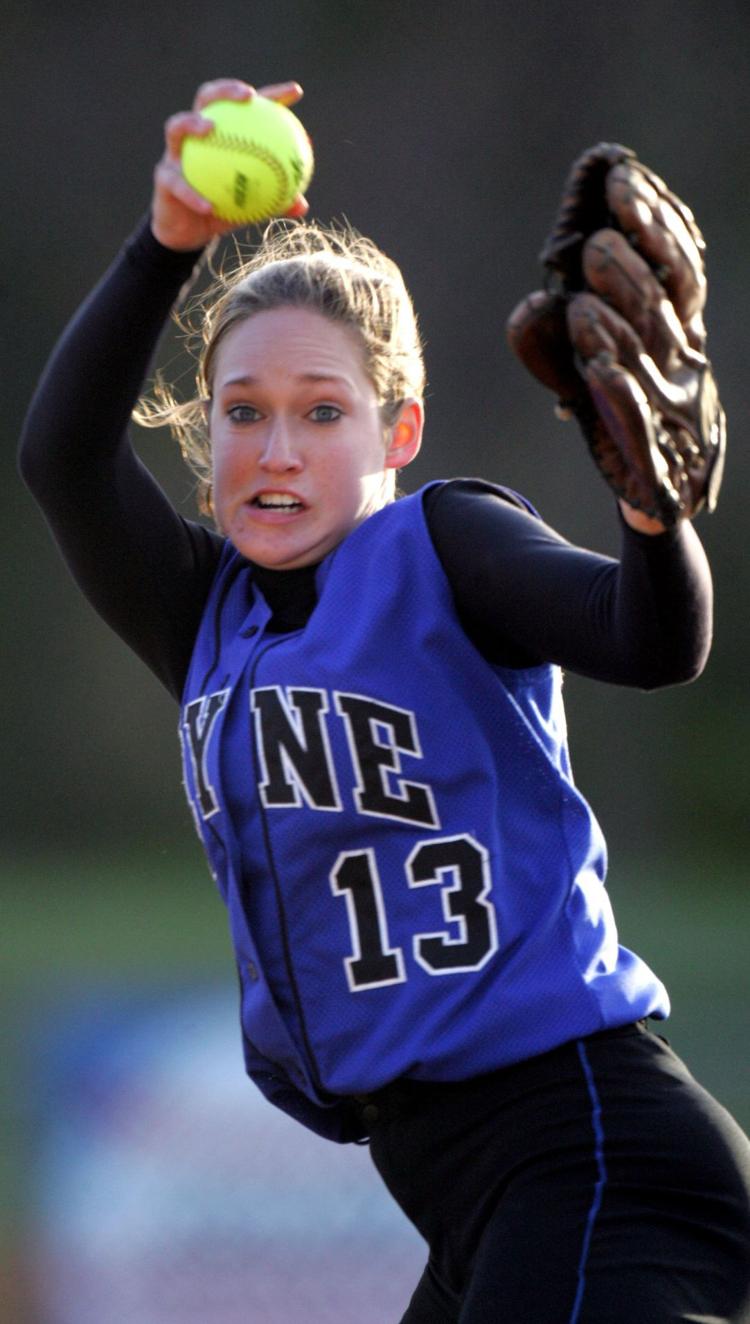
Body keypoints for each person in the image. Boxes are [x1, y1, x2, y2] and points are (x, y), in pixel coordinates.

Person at [19, 77, 750, 1323]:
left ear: (397, 428)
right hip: (469, 1193)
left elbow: (651, 638)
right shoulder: (208, 617)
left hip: (595, 1153)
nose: (278, 448)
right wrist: (168, 241)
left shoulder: (446, 548)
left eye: (322, 412)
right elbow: (63, 456)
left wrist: (652, 515)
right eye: (241, 414)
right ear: (207, 444)